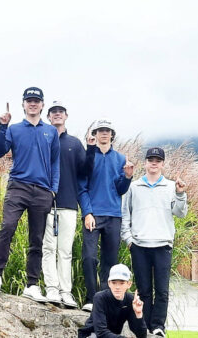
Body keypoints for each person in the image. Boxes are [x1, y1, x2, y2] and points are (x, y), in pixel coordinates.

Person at [0, 87, 60, 303]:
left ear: (42, 104)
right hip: (18, 186)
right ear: (23, 104)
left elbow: (55, 163)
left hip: (43, 191)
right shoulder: (15, 129)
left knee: (36, 239)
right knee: (7, 227)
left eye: (36, 100)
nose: (33, 104)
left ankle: (32, 285)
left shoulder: (50, 132)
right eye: (29, 100)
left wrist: (53, 189)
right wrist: (3, 126)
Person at [121, 147, 188, 337]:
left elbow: (181, 214)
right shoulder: (134, 186)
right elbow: (126, 214)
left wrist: (181, 194)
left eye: (157, 160)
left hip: (163, 244)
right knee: (143, 290)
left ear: (162, 164)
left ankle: (158, 326)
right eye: (150, 159)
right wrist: (128, 239)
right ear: (145, 162)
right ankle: (144, 326)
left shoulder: (171, 186)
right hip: (139, 245)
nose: (154, 163)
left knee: (162, 290)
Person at [78, 119, 134, 311]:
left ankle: (103, 301)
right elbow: (82, 188)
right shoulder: (88, 157)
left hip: (113, 215)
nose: (103, 134)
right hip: (93, 215)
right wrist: (87, 213)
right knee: (89, 258)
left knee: (110, 261)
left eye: (107, 131)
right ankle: (90, 298)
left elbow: (121, 189)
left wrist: (127, 177)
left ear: (112, 135)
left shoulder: (120, 159)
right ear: (95, 134)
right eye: (100, 131)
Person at [42, 100, 93, 308]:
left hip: (69, 204)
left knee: (65, 251)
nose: (57, 114)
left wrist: (90, 149)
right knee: (48, 249)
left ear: (66, 115)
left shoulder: (74, 143)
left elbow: (85, 172)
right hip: (45, 203)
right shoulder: (42, 139)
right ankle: (51, 289)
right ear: (48, 116)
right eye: (53, 112)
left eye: (60, 111)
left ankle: (66, 292)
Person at [78, 264, 147, 338]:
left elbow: (141, 335)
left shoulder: (131, 300)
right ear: (109, 283)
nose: (117, 287)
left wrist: (139, 314)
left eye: (122, 283)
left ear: (129, 284)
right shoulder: (100, 298)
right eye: (114, 283)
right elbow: (101, 332)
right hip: (91, 335)